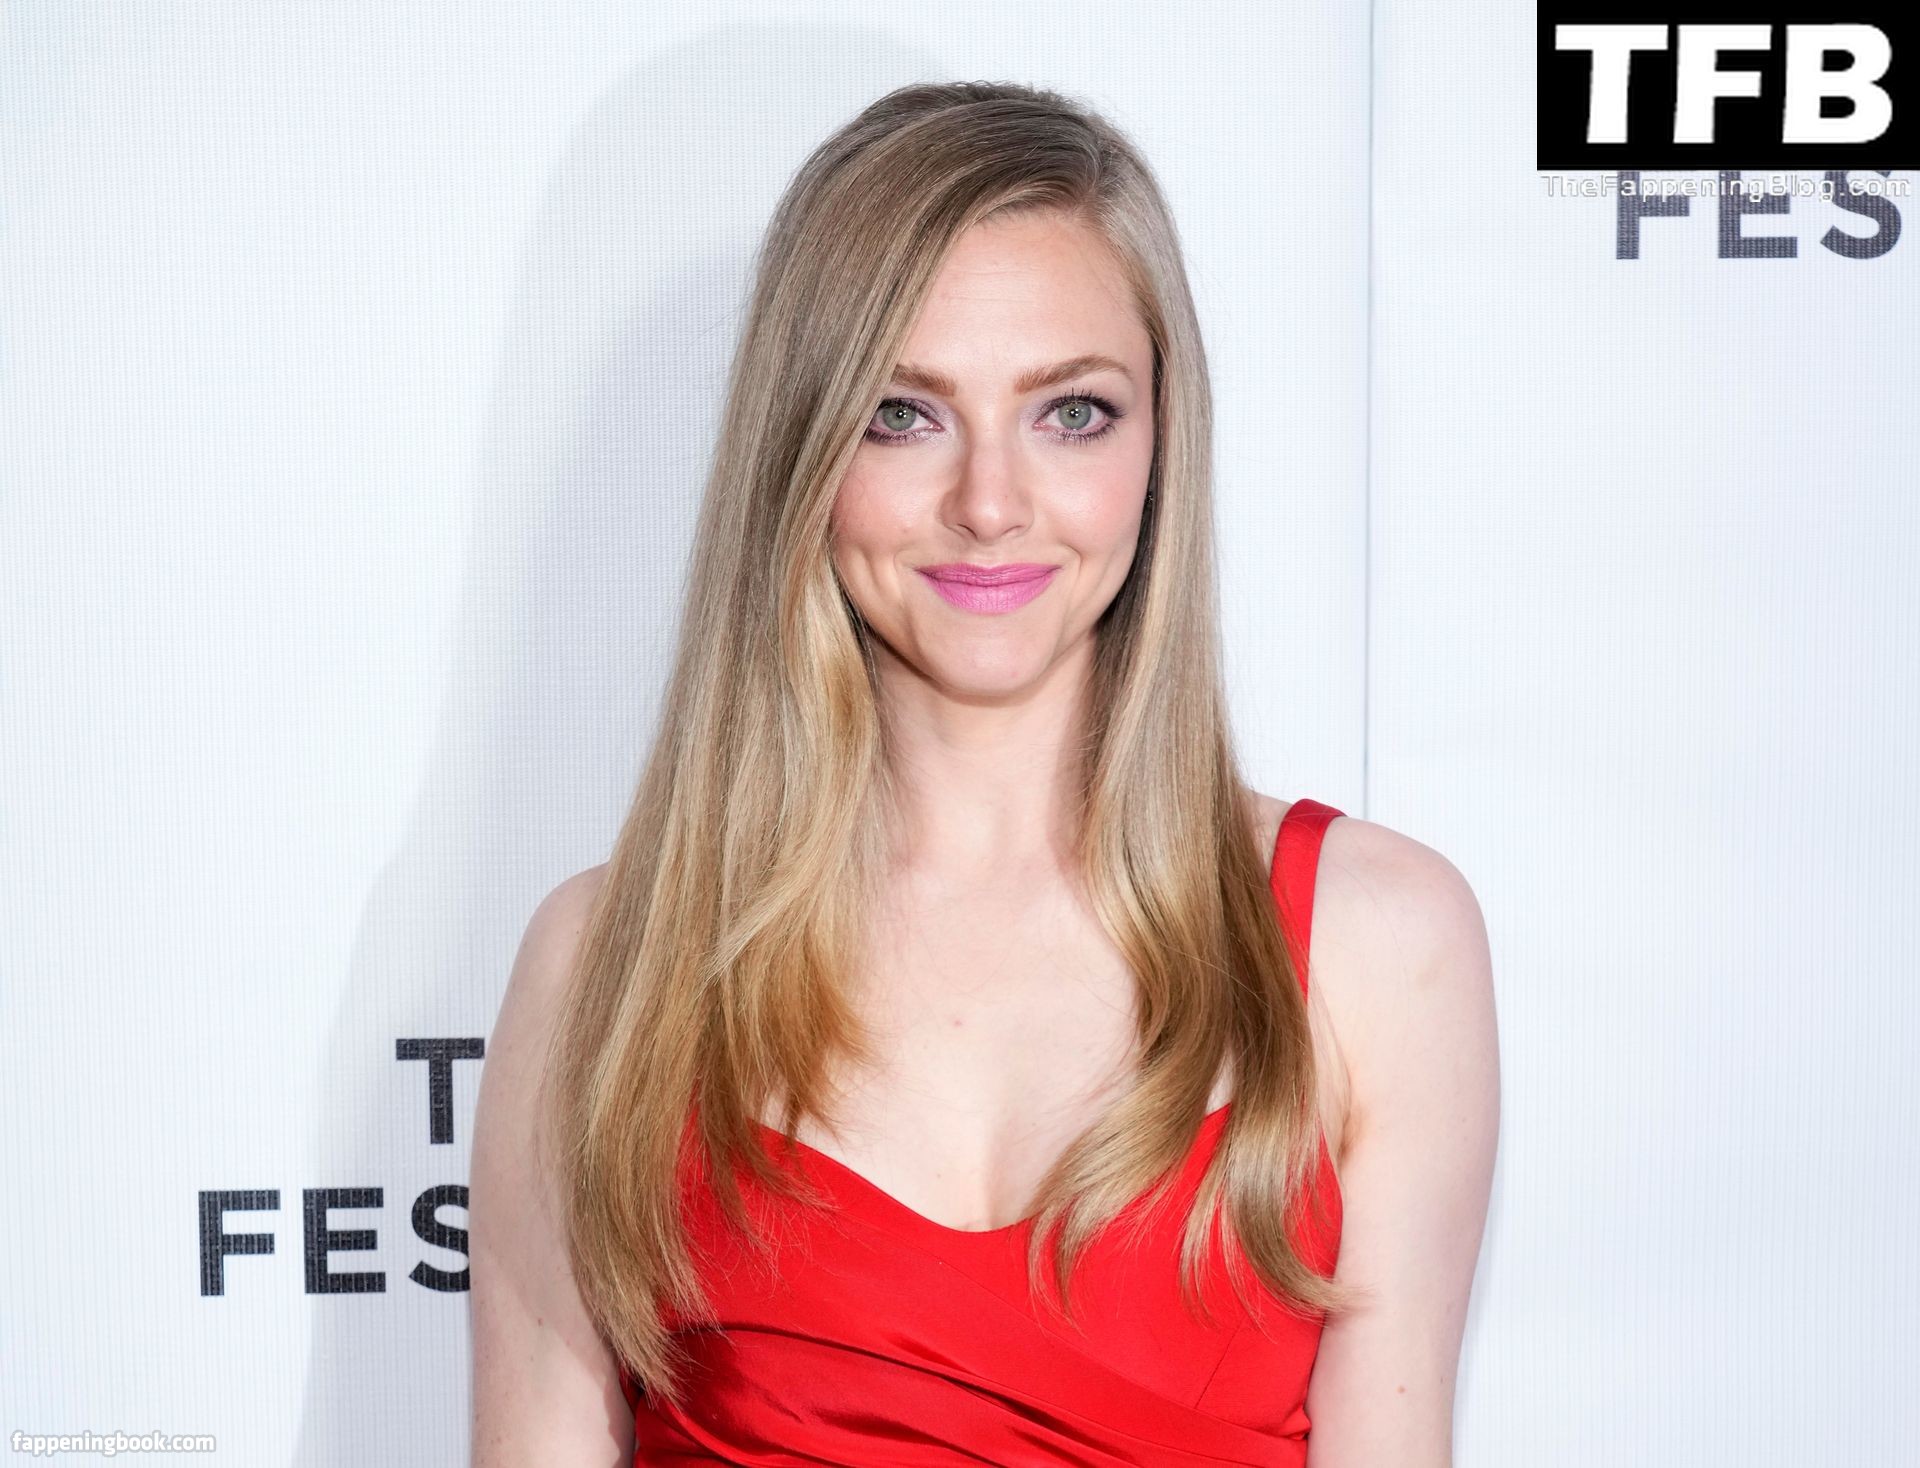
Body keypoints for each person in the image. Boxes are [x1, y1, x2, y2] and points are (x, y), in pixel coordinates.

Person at [470, 80, 1498, 1467]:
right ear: (803, 446)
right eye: (904, 413)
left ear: (1163, 439)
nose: (991, 504)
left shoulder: (1376, 946)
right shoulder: (611, 964)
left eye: (1071, 412)